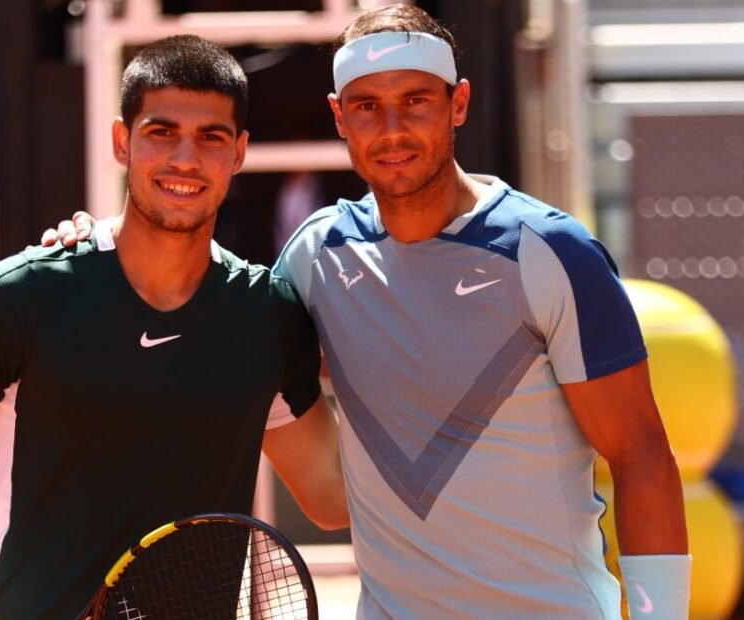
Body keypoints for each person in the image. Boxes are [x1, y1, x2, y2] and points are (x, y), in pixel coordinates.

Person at [52, 5, 690, 618]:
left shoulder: (551, 252)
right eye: (367, 106)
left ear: (458, 104)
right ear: (338, 116)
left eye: (415, 100)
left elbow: (642, 456)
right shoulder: (315, 257)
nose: (392, 130)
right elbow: (206, 306)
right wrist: (97, 243)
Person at [0, 35, 347, 620]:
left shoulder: (266, 316)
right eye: (162, 132)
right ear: (122, 140)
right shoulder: (21, 297)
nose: (185, 159)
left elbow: (334, 498)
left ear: (239, 152)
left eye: (211, 138)